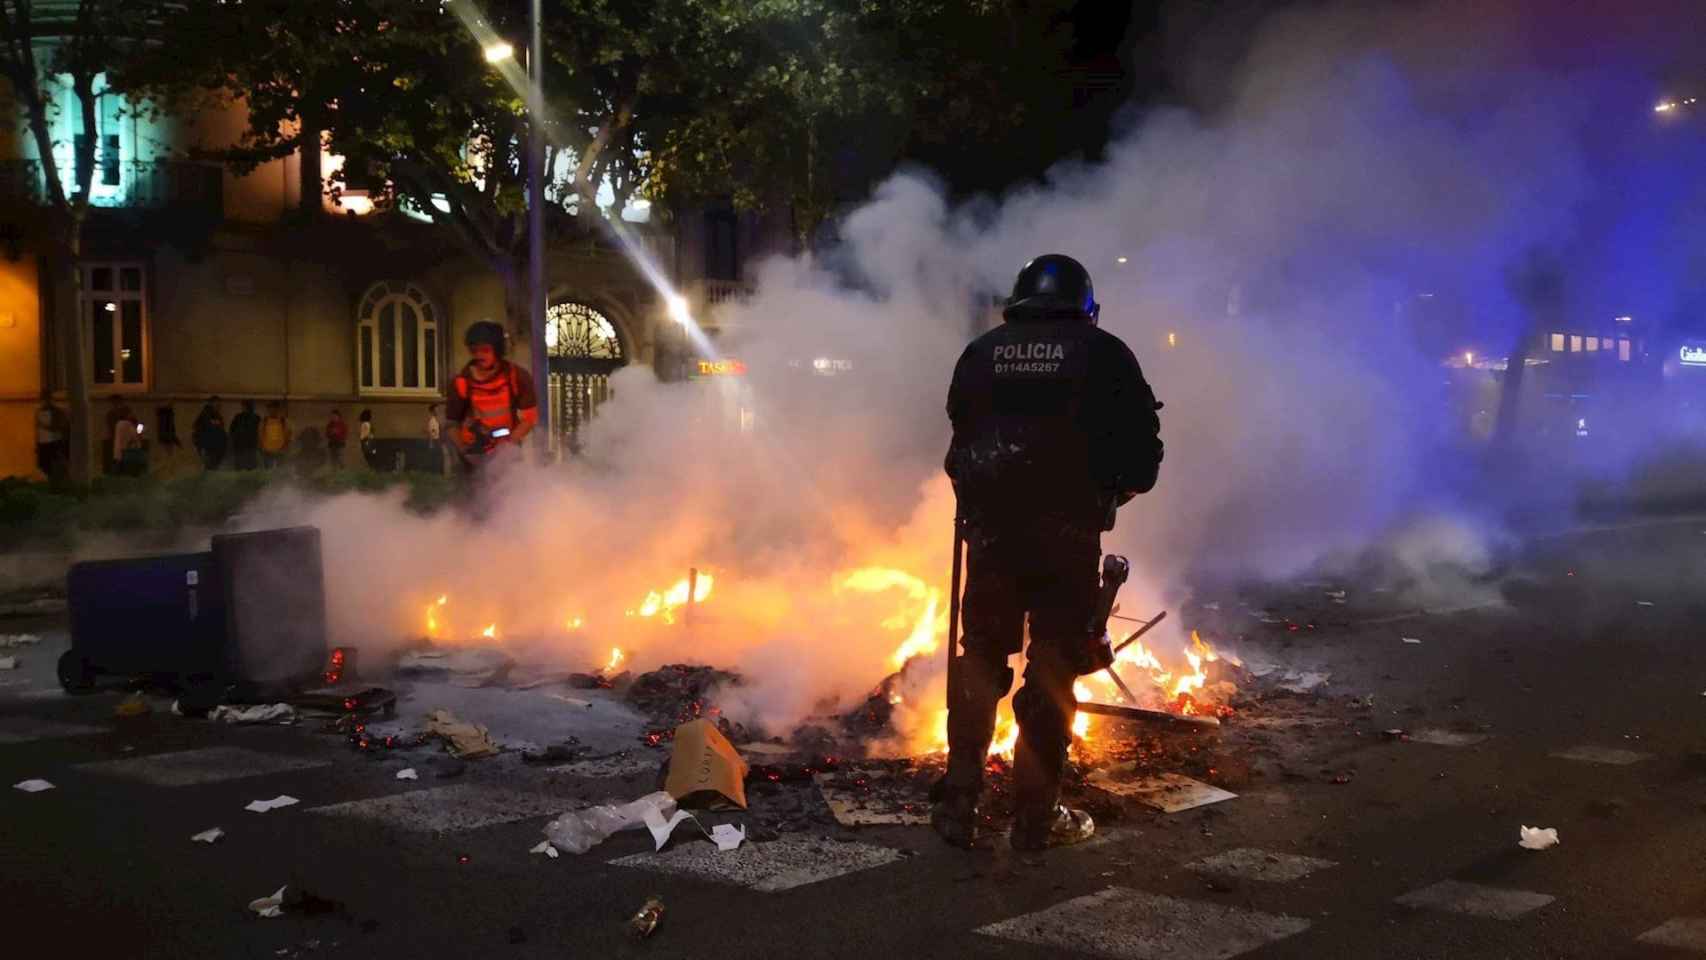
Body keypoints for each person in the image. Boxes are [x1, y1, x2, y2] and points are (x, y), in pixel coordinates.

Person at [933, 254, 1164, 851]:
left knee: (980, 656)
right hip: (1066, 538)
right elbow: (1143, 458)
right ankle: (1035, 818)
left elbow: (959, 446)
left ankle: (958, 803)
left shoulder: (981, 353)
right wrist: (1109, 493)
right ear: (1085, 306)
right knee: (1054, 666)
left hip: (991, 536)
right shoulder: (1105, 353)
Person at [446, 321, 538, 472]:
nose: (479, 355)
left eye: (485, 350)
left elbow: (530, 417)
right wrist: (464, 450)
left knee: (510, 494)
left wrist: (509, 444)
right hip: (473, 457)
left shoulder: (516, 376)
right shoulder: (462, 382)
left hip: (507, 455)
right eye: (474, 351)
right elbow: (451, 423)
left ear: (497, 349)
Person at [35, 396, 66, 483]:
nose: (43, 402)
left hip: (54, 442)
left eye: (46, 400)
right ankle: (49, 480)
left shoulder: (57, 412)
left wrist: (44, 425)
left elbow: (59, 426)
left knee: (54, 464)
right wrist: (37, 443)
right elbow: (37, 429)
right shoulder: (39, 411)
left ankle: (56, 481)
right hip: (42, 443)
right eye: (42, 400)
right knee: (43, 464)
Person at [193, 397, 227, 471]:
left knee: (213, 469)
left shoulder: (217, 416)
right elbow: (198, 431)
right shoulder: (205, 415)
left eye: (219, 405)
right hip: (208, 448)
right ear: (211, 403)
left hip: (216, 449)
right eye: (217, 404)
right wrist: (201, 447)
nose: (218, 407)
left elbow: (221, 431)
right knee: (209, 469)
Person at [112, 405, 146, 478]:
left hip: (118, 454)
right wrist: (139, 427)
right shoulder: (128, 425)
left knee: (118, 477)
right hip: (128, 455)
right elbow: (135, 437)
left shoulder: (118, 424)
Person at [229, 400, 261, 471]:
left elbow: (231, 430)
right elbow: (231, 430)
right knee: (247, 467)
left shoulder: (239, 417)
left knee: (245, 467)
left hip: (246, 447)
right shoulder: (255, 417)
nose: (243, 408)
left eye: (244, 406)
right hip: (246, 447)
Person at [259, 402, 292, 469]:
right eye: (270, 409)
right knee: (268, 471)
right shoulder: (264, 421)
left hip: (280, 451)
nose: (272, 411)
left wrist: (285, 447)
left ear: (278, 410)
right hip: (267, 451)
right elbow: (260, 435)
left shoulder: (283, 421)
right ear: (268, 410)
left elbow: (289, 435)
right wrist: (262, 447)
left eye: (274, 409)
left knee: (280, 471)